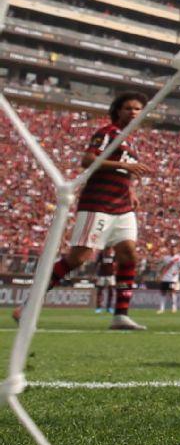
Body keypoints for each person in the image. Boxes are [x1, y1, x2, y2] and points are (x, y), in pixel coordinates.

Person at [12, 91, 153, 330]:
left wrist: (130, 189)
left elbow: (122, 171)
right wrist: (122, 165)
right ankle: (26, 306)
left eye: (138, 109)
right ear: (118, 111)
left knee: (129, 254)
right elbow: (87, 160)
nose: (133, 112)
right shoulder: (107, 133)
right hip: (99, 204)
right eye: (128, 108)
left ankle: (120, 315)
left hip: (122, 205)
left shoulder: (131, 139)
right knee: (78, 257)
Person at [92, 248, 116, 314]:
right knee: (100, 291)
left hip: (111, 275)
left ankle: (109, 307)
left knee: (111, 291)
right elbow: (96, 263)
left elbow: (117, 263)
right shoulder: (102, 253)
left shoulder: (114, 253)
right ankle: (98, 307)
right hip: (101, 275)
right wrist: (94, 274)